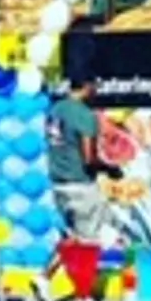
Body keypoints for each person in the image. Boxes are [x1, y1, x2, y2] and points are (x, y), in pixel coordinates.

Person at [47, 77, 115, 242]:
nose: (96, 91)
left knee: (67, 240)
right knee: (88, 241)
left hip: (57, 184)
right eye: (95, 86)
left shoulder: (55, 110)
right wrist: (110, 169)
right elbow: (88, 158)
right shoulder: (84, 114)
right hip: (80, 185)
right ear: (86, 85)